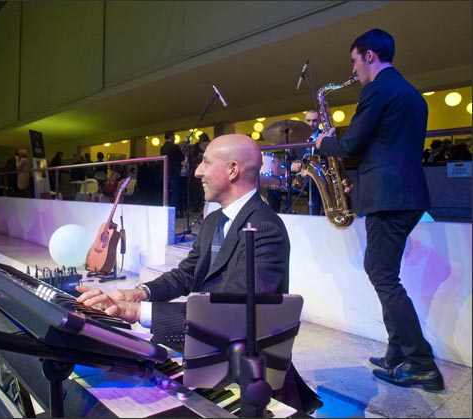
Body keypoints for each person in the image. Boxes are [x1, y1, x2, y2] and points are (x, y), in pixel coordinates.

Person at [77, 134, 322, 413]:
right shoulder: (215, 219)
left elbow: (231, 314)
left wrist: (135, 312)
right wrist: (137, 292)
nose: (197, 172)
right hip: (210, 352)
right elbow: (187, 273)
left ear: (232, 170)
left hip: (244, 372)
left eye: (205, 162)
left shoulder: (266, 228)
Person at [315, 28, 443, 391]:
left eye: (355, 62)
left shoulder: (377, 89)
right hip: (406, 194)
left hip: (390, 199)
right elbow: (389, 148)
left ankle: (422, 363)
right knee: (383, 271)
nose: (354, 71)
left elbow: (353, 141)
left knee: (382, 274)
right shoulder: (413, 95)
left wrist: (324, 141)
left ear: (369, 55)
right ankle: (397, 353)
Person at [160, 130, 185, 217]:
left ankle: (167, 210)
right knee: (176, 192)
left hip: (166, 172)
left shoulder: (162, 148)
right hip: (174, 172)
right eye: (174, 136)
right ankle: (176, 211)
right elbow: (181, 158)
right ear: (171, 136)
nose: (174, 138)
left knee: (168, 193)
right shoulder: (174, 147)